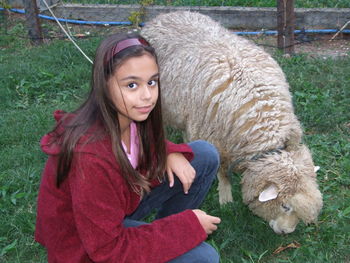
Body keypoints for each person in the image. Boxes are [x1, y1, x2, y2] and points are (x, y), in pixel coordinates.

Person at [35, 32, 221, 263]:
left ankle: (159, 241)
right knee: (203, 257)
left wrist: (170, 152)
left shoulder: (128, 116)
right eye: (132, 84)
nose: (147, 96)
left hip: (115, 206)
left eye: (152, 82)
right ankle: (162, 242)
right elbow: (108, 250)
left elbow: (137, 146)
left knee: (204, 154)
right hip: (86, 246)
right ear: (104, 84)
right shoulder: (90, 158)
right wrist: (187, 228)